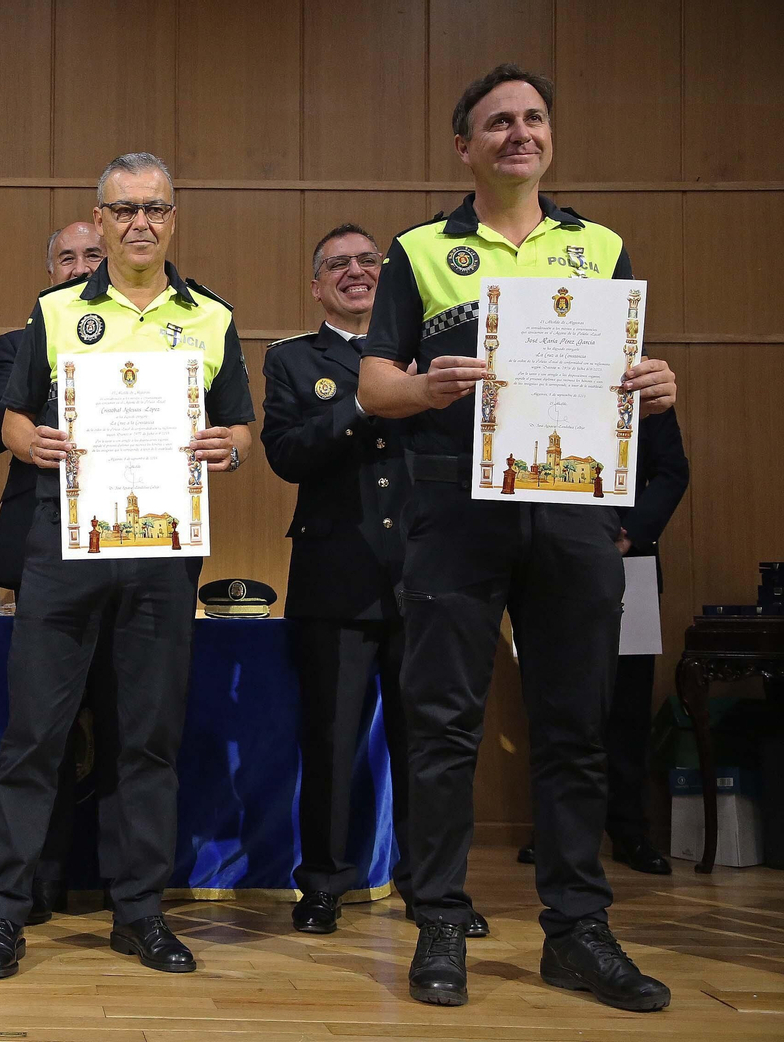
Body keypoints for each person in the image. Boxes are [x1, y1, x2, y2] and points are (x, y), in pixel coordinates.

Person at [358, 64, 678, 1012]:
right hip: (455, 514)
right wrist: (426, 388)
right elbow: (375, 383)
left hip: (575, 512)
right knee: (443, 727)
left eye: (534, 118)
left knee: (576, 728)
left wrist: (654, 384)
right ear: (465, 146)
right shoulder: (420, 250)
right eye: (498, 122)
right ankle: (439, 921)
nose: (519, 133)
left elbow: (623, 377)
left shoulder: (600, 247)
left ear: (551, 137)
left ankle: (577, 932)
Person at [0, 153, 256, 980]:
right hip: (64, 550)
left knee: (149, 741)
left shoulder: (212, 317)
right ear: (99, 219)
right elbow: (7, 418)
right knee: (35, 737)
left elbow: (243, 427)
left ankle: (140, 914)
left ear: (173, 218)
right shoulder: (55, 311)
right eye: (124, 209)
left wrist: (230, 447)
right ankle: (4, 915)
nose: (139, 223)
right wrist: (29, 440)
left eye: (155, 209)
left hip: (163, 556)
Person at [263, 224, 488, 939]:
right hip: (338, 578)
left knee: (430, 743)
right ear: (316, 285)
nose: (356, 272)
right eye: (338, 264)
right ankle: (323, 886)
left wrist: (414, 385)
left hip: (431, 570)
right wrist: (366, 402)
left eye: (369, 261)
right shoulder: (293, 360)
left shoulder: (432, 354)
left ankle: (432, 891)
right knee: (330, 743)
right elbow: (287, 453)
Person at [0, 222, 107, 923]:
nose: (80, 267)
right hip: (45, 546)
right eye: (67, 257)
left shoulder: (155, 336)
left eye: (94, 255)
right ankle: (35, 882)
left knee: (119, 719)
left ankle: (113, 883)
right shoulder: (22, 342)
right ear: (49, 271)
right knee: (45, 725)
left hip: (132, 548)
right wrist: (28, 431)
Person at [518, 407, 688, 874]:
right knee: (551, 702)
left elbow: (672, 471)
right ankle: (554, 831)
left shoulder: (638, 379)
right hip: (543, 556)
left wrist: (628, 535)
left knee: (627, 705)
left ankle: (629, 829)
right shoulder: (539, 378)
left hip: (625, 556)